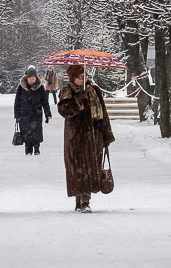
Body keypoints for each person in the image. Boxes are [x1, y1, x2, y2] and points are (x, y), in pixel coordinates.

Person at [56, 64, 115, 213]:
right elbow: (64, 111)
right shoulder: (67, 91)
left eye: (85, 76)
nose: (84, 79)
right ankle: (78, 201)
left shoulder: (94, 91)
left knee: (90, 169)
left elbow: (104, 113)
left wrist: (106, 134)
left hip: (94, 137)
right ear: (73, 78)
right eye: (81, 77)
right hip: (74, 138)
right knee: (77, 170)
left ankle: (85, 201)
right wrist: (77, 101)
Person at [13, 65, 52, 156]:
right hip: (24, 114)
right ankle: (28, 149)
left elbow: (45, 102)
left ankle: (37, 148)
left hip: (36, 114)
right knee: (26, 132)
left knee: (36, 131)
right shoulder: (21, 88)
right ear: (27, 78)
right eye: (30, 79)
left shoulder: (40, 88)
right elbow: (17, 102)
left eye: (33, 79)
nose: (32, 81)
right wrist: (17, 114)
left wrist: (48, 114)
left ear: (36, 78)